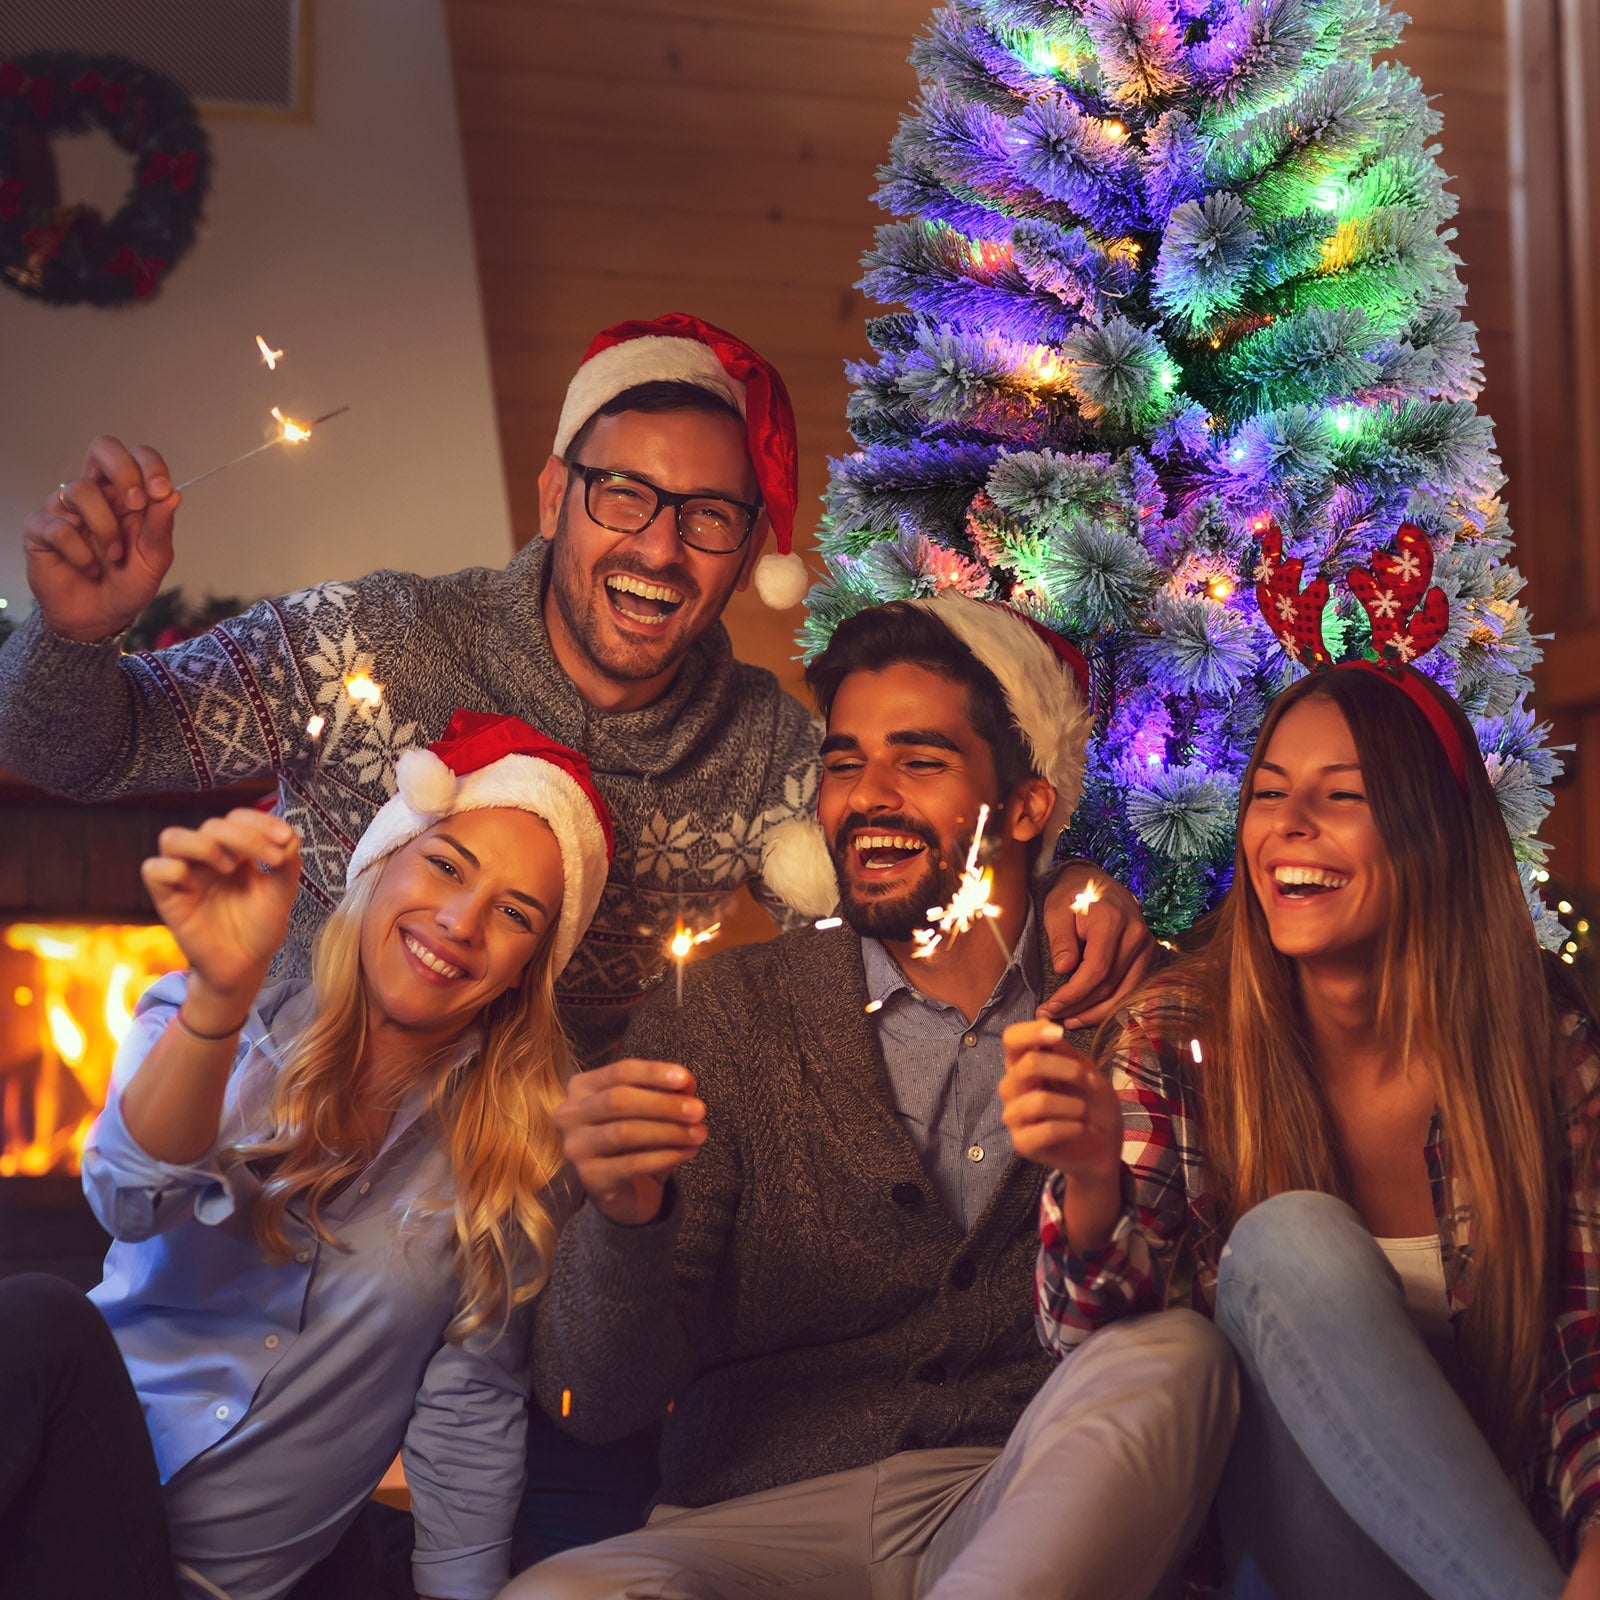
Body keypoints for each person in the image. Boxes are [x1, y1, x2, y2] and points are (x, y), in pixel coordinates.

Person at [0, 312, 1147, 1066]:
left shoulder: (765, 755)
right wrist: (72, 637)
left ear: (752, 549)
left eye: (707, 517)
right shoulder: (376, 638)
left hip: (508, 1209)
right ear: (554, 494)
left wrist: (1065, 880)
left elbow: (919, 876)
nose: (657, 549)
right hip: (274, 1122)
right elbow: (81, 755)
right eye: (621, 495)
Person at [504, 595, 1238, 1600]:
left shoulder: (1130, 1016)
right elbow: (595, 1404)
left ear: (1025, 807)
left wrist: (1095, 1178)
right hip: (748, 1527)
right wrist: (625, 1223)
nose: (865, 797)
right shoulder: (720, 1015)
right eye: (844, 762)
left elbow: (1153, 1357)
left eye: (920, 761)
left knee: (1178, 1358)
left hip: (1017, 1504)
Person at [1004, 660, 1600, 1600]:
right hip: (1277, 1557)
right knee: (1292, 1241)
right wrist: (1088, 1180)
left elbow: (1584, 1361)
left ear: (1434, 831)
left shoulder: (1547, 1052)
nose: (1287, 827)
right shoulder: (1174, 1037)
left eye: (1343, 796)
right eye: (1270, 793)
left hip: (1487, 1548)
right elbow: (1104, 1360)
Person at [0, 710, 615, 1600]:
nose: (458, 920)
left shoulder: (513, 1160)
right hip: (52, 1517)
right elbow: (128, 1199)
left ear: (529, 966)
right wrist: (220, 994)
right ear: (382, 863)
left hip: (215, 1584)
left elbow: (467, 1407)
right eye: (446, 864)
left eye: (514, 914)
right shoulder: (210, 1020)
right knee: (43, 1320)